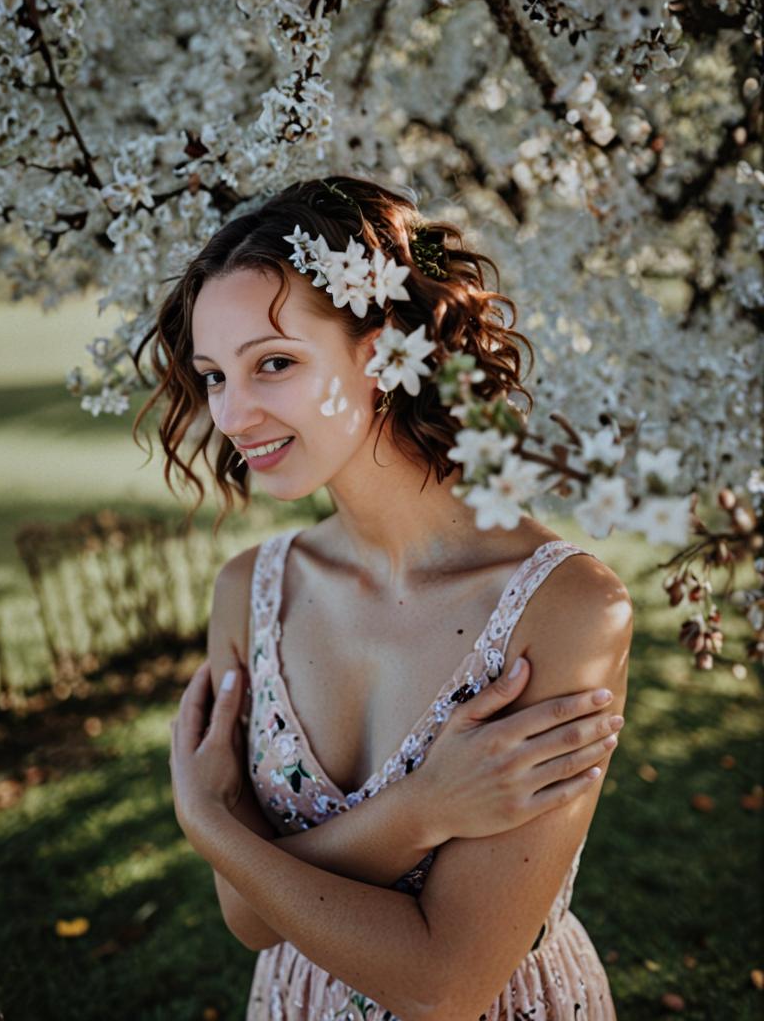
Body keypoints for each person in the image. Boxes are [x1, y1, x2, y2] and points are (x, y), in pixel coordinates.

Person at [141, 174, 632, 1020]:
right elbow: (250, 919)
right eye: (215, 375)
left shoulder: (567, 610)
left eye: (275, 364)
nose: (231, 413)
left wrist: (212, 824)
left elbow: (446, 983)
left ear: (380, 352)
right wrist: (420, 811)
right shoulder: (248, 593)